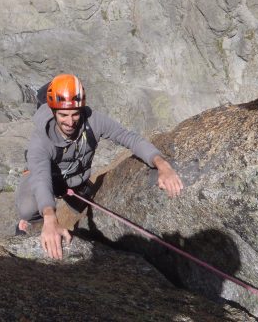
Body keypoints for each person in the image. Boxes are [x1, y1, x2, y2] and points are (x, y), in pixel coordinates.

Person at [15, 73, 183, 259]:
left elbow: (129, 138)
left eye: (75, 114)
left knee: (91, 208)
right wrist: (49, 216)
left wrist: (161, 164)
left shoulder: (93, 121)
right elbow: (41, 178)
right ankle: (30, 226)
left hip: (74, 181)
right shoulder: (41, 139)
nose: (70, 122)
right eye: (63, 115)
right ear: (53, 111)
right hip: (44, 177)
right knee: (28, 208)